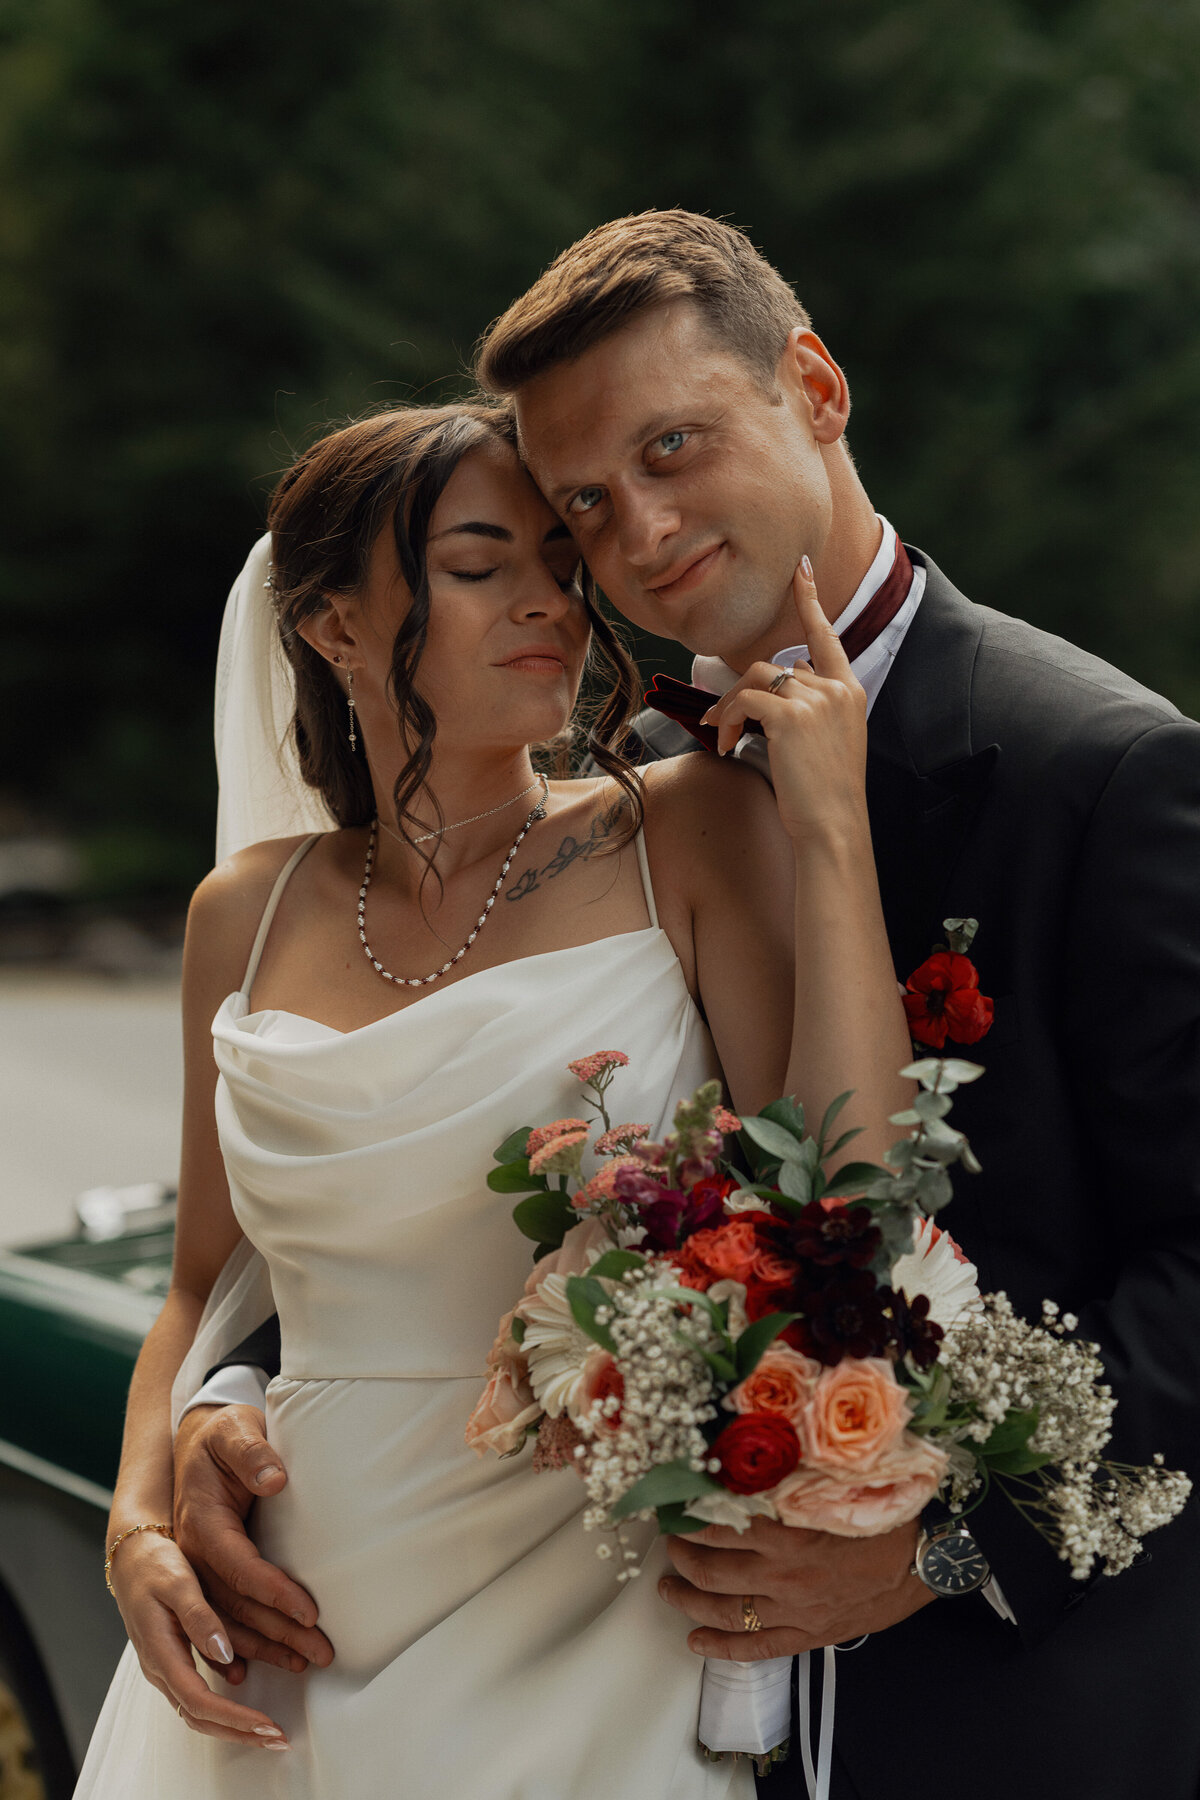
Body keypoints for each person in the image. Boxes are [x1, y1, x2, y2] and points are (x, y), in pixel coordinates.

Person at [175, 212, 1200, 1800]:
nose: (637, 535)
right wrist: (232, 1404)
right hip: (595, 1675)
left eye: (677, 448)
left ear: (816, 386)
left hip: (999, 1714)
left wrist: (945, 1542)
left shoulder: (1106, 771)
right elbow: (423, 1171)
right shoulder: (632, 799)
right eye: (584, 500)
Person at [78, 397, 913, 1798]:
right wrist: (140, 1517)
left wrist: (830, 829)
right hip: (302, 1611)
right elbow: (201, 1281)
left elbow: (843, 1186)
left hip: (594, 1595)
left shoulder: (689, 829)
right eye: (479, 568)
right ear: (336, 627)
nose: (549, 604)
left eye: (556, 562)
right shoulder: (244, 911)